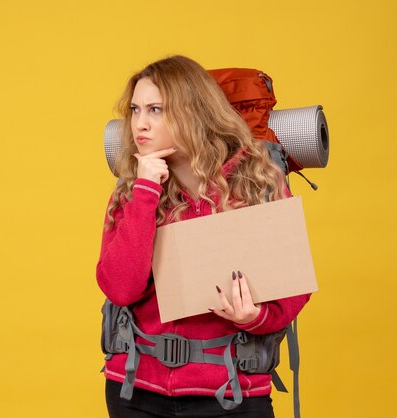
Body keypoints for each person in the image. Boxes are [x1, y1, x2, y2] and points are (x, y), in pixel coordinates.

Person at [96, 55, 310, 418]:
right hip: (136, 390)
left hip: (231, 391)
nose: (139, 124)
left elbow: (292, 291)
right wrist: (146, 188)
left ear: (193, 112)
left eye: (156, 109)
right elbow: (120, 287)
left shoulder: (256, 180)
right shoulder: (132, 189)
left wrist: (253, 316)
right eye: (134, 110)